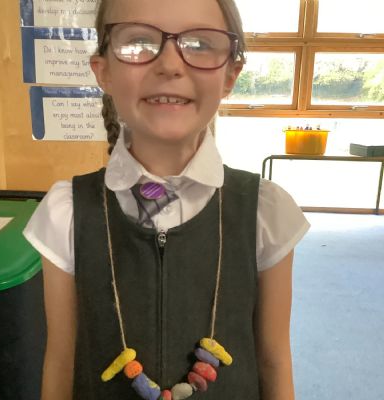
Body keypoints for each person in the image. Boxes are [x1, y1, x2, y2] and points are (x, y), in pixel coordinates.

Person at [23, 0, 310, 399]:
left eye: (200, 44)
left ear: (230, 75)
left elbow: (274, 361)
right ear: (103, 71)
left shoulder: (264, 212)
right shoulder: (67, 213)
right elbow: (61, 361)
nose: (170, 65)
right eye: (139, 42)